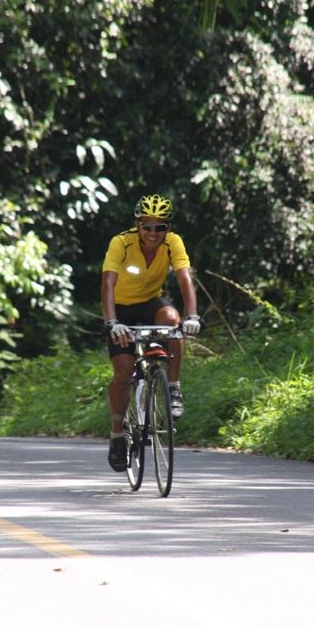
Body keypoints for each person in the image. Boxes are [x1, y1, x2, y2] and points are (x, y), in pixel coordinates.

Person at [101, 194, 201, 472]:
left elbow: (184, 278)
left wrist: (192, 316)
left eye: (160, 227)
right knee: (122, 372)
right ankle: (118, 434)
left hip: (150, 304)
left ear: (168, 228)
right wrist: (112, 322)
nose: (153, 233)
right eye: (147, 226)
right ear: (137, 224)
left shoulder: (173, 243)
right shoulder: (121, 243)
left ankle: (173, 387)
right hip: (120, 311)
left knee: (173, 321)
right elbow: (107, 284)